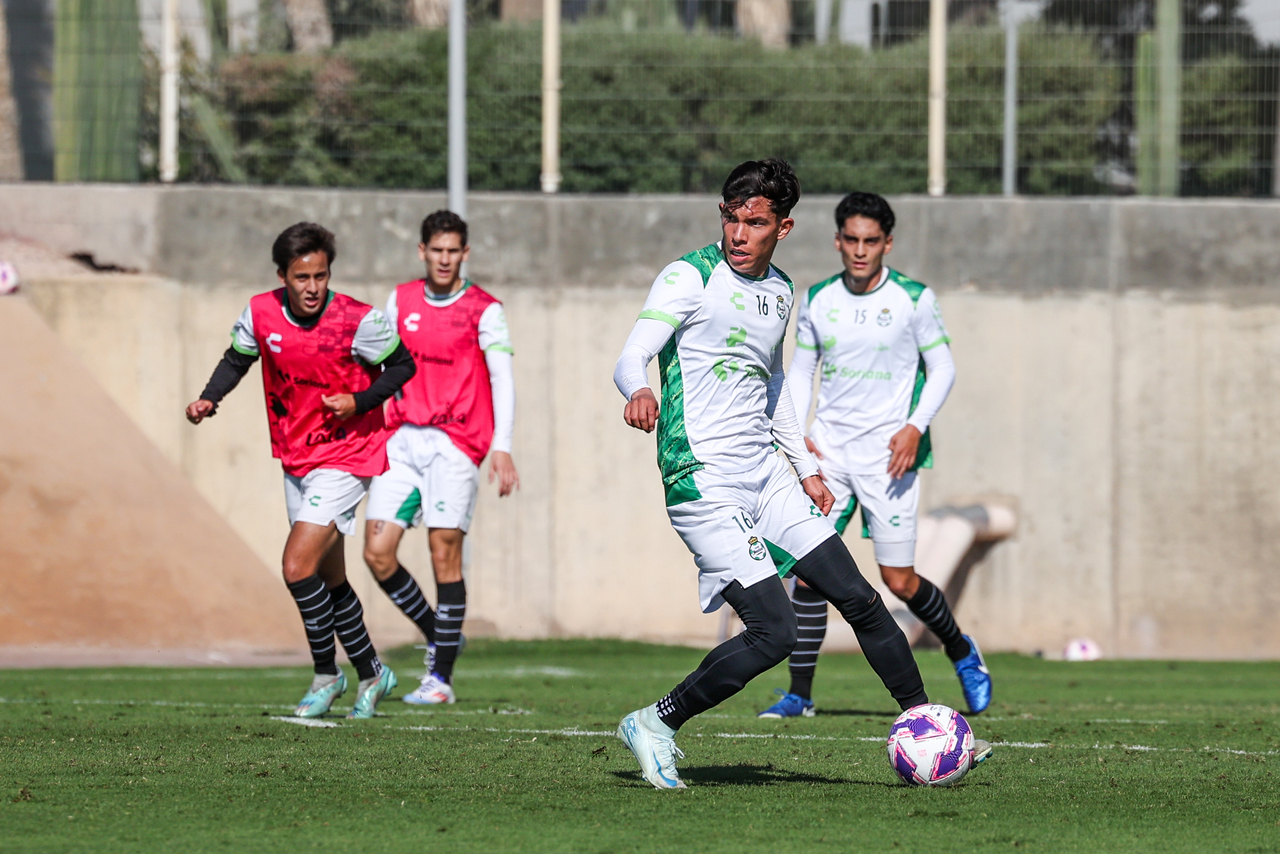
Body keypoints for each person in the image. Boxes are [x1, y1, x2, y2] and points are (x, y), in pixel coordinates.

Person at [611, 160, 939, 790]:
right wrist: (638, 390)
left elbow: (776, 383)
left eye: (754, 222)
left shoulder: (782, 290)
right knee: (776, 630)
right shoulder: (688, 276)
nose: (739, 233)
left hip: (767, 474)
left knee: (862, 599)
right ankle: (656, 722)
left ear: (783, 228)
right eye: (731, 219)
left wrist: (805, 467)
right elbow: (633, 354)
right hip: (702, 477)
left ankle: (927, 727)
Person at [757, 192, 992, 721]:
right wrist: (800, 436)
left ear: (887, 243)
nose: (860, 251)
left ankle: (961, 651)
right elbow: (799, 372)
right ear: (838, 240)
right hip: (831, 453)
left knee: (899, 581)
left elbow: (944, 369)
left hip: (890, 457)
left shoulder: (914, 299)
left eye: (871, 241)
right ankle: (800, 694)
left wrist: (914, 427)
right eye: (851, 240)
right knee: (809, 572)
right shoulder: (817, 299)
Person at [185, 222, 415, 719]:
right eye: (301, 277)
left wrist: (359, 400)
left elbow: (401, 365)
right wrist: (209, 398)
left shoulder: (358, 319)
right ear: (281, 276)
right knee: (329, 579)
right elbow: (237, 358)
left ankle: (326, 673)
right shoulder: (260, 312)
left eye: (321, 275)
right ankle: (374, 672)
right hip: (297, 457)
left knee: (296, 566)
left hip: (348, 454)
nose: (312, 287)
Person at [362, 210, 519, 705]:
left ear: (464, 254)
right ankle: (441, 632)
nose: (445, 258)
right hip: (402, 439)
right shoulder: (400, 299)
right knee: (377, 551)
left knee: (442, 553)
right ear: (422, 252)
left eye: (454, 251)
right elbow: (379, 363)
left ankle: (440, 680)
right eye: (437, 250)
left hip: (454, 443)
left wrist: (503, 445)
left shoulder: (484, 309)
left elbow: (502, 379)